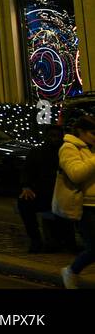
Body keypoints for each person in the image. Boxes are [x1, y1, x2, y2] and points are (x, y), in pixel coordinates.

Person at [18, 125, 74, 253]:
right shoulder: (37, 152)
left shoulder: (65, 152)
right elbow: (27, 170)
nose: (54, 139)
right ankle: (36, 240)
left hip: (61, 193)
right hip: (43, 193)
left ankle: (65, 241)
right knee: (24, 204)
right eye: (52, 136)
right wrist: (26, 186)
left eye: (57, 136)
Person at [56, 116, 95, 288]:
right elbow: (76, 173)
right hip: (86, 206)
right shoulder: (69, 148)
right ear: (81, 132)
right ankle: (71, 270)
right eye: (93, 133)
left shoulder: (91, 148)